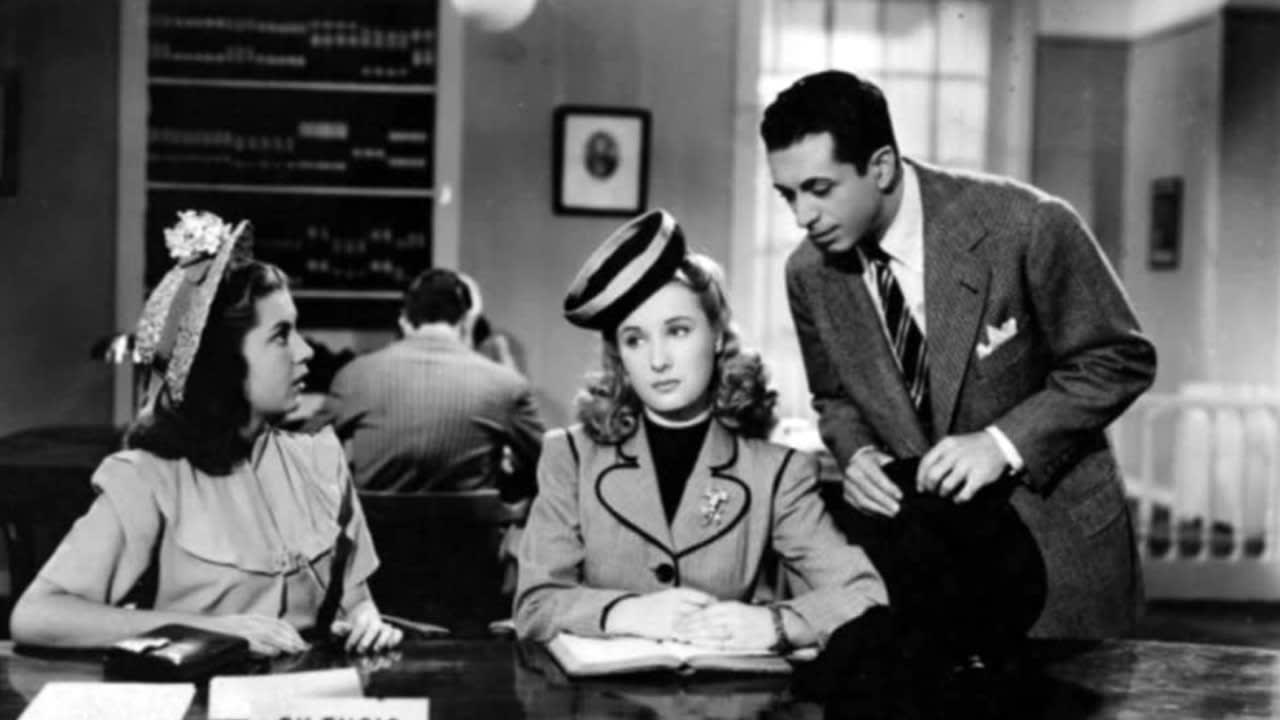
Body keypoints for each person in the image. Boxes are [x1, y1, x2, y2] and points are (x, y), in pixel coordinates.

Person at [761, 70, 1157, 638]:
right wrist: (858, 454)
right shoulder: (808, 273)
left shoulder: (1027, 224)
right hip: (932, 564)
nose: (803, 216)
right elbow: (835, 398)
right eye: (788, 195)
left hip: (1060, 548)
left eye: (819, 189)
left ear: (881, 167)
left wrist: (1003, 443)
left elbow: (1119, 357)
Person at [9, 211, 402, 655]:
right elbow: (38, 615)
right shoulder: (149, 478)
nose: (305, 351)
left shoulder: (321, 462)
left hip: (310, 690)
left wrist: (368, 623)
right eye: (281, 335)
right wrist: (210, 629)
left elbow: (358, 602)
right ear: (225, 361)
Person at [515, 209, 885, 651]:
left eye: (677, 331)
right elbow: (535, 605)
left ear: (717, 335)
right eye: (635, 339)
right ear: (619, 356)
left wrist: (778, 624)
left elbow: (864, 594)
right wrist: (627, 612)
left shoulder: (777, 472)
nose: (657, 360)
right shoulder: (571, 457)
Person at [308, 268, 544, 497]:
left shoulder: (356, 376)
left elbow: (301, 453)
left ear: (404, 321)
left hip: (376, 525)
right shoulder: (506, 385)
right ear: (465, 322)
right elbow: (547, 463)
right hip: (472, 525)